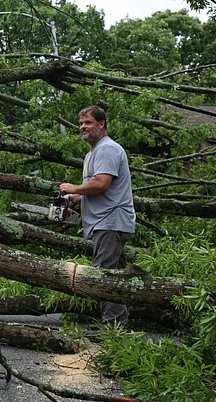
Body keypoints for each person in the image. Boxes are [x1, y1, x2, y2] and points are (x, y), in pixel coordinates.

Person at [59, 105, 135, 326]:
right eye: (81, 123)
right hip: (106, 221)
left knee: (105, 276)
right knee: (115, 276)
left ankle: (111, 326)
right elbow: (99, 187)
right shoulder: (93, 153)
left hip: (110, 221)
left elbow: (102, 183)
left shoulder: (107, 149)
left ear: (101, 124)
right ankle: (117, 325)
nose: (83, 127)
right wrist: (79, 198)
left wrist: (74, 188)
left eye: (88, 123)